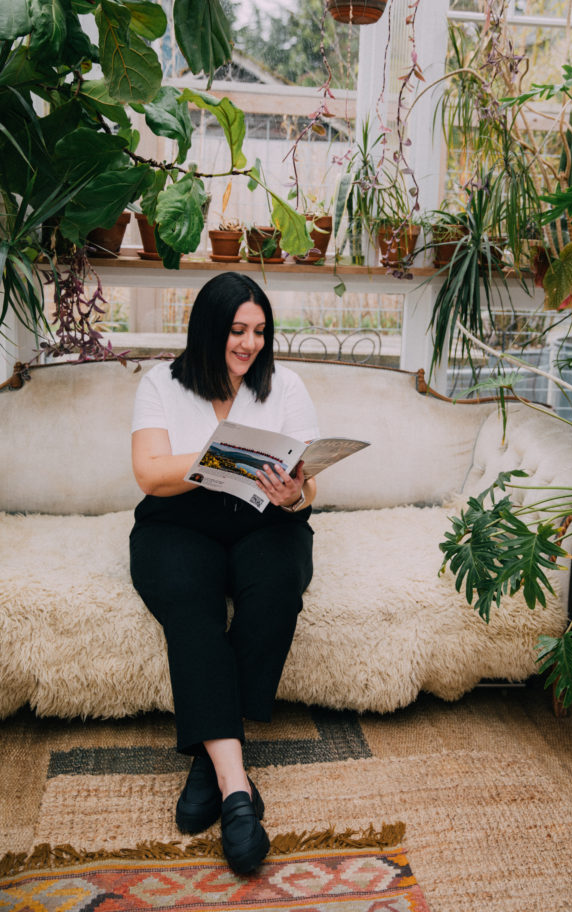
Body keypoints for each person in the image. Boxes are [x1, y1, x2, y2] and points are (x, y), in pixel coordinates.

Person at [129, 271, 318, 875]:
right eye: (238, 330)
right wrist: (223, 453)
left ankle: (207, 762)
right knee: (192, 608)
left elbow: (309, 485)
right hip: (177, 521)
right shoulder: (161, 383)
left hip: (265, 518)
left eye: (260, 331)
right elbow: (152, 474)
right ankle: (238, 791)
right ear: (209, 329)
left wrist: (293, 493)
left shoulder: (284, 384)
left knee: (277, 593)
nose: (250, 344)